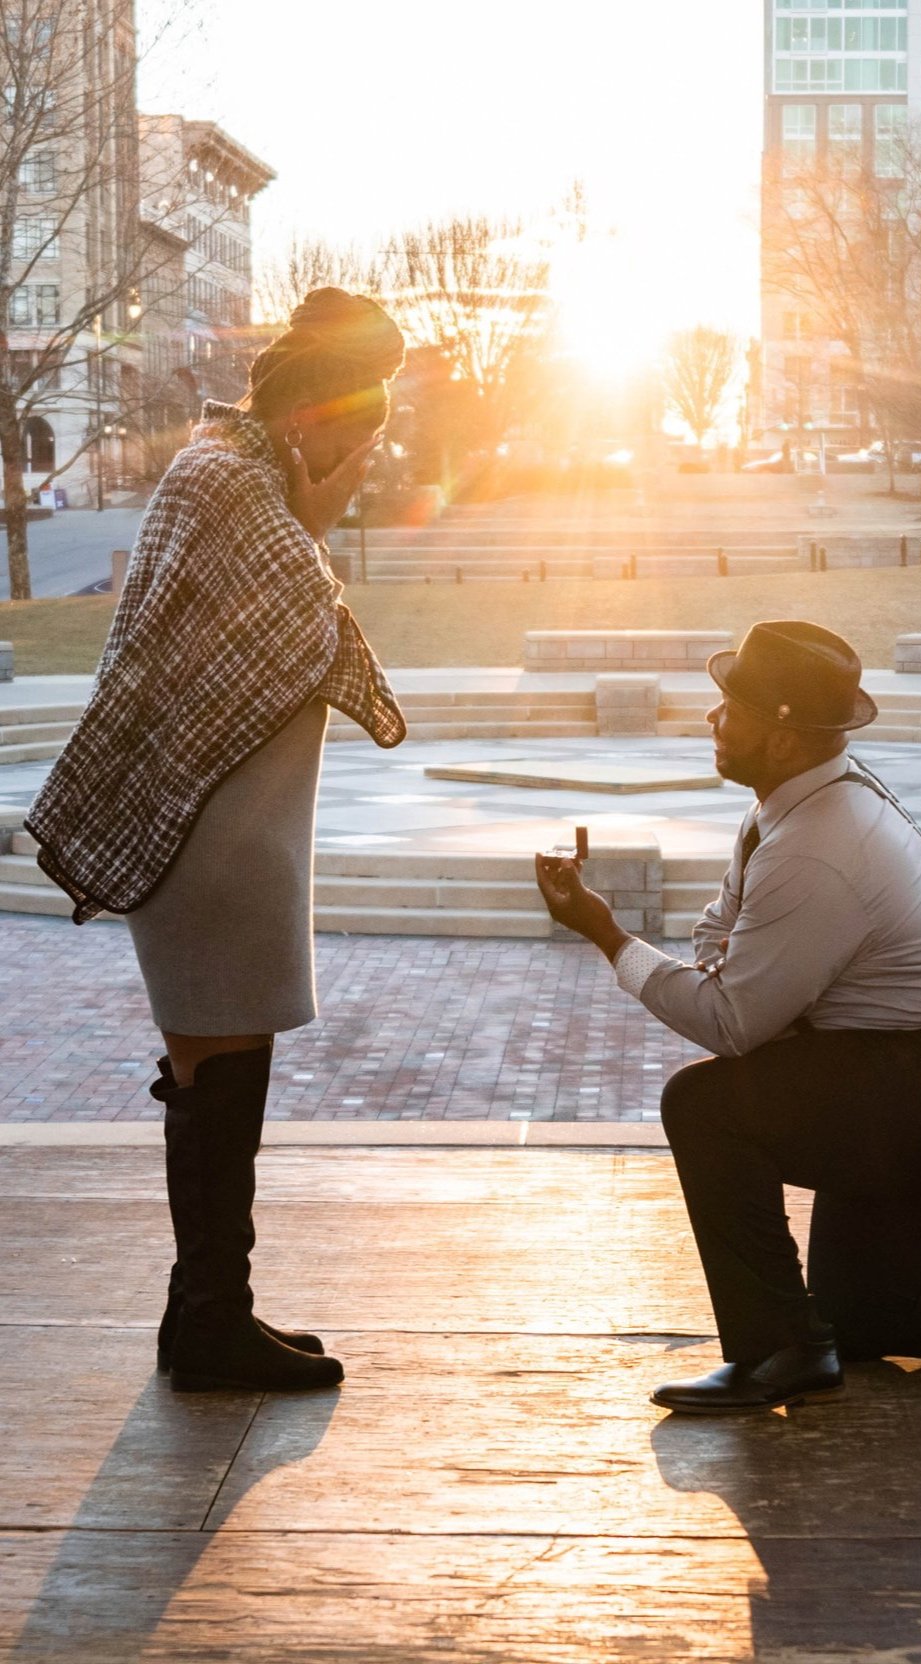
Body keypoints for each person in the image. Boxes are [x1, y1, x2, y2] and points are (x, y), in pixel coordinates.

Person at [536, 620, 921, 1414]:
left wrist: (608, 938)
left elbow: (734, 1022)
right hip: (920, 1076)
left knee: (703, 1103)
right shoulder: (787, 812)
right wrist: (745, 969)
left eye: (728, 705)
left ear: (778, 732)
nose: (710, 718)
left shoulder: (817, 844)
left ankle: (776, 1346)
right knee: (870, 1316)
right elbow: (717, 935)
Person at [26, 288, 407, 1394]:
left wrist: (307, 520)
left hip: (230, 828)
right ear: (312, 420)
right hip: (210, 829)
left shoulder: (227, 469)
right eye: (361, 438)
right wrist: (319, 526)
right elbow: (301, 627)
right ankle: (209, 1323)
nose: (366, 460)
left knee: (215, 1070)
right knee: (218, 1066)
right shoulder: (231, 482)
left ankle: (206, 1310)